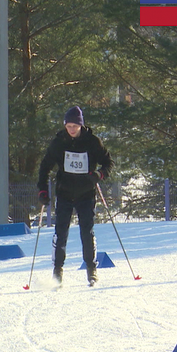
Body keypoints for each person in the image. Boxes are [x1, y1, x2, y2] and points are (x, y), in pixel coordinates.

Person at [37, 106, 113, 286]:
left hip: (86, 194)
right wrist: (43, 191)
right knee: (61, 233)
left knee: (87, 232)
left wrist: (99, 175)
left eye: (75, 126)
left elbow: (108, 163)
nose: (71, 129)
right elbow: (45, 167)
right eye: (68, 126)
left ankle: (91, 270)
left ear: (81, 125)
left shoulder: (92, 142)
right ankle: (57, 272)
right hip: (64, 193)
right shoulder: (59, 142)